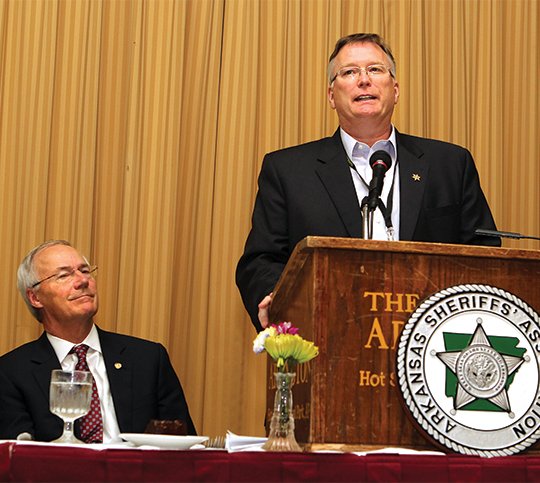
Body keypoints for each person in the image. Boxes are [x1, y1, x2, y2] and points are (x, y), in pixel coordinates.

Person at [236, 33, 500, 332]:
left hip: (433, 341)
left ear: (395, 89)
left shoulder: (449, 164)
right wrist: (277, 297)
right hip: (329, 336)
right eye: (349, 72)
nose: (364, 80)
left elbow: (484, 251)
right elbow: (261, 261)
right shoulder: (288, 170)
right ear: (331, 96)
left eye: (375, 69)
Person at [0, 240, 196, 442]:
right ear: (35, 297)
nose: (82, 281)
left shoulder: (148, 359)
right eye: (64, 275)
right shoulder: (10, 373)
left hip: (137, 471)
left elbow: (184, 446)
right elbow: (17, 458)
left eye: (85, 271)